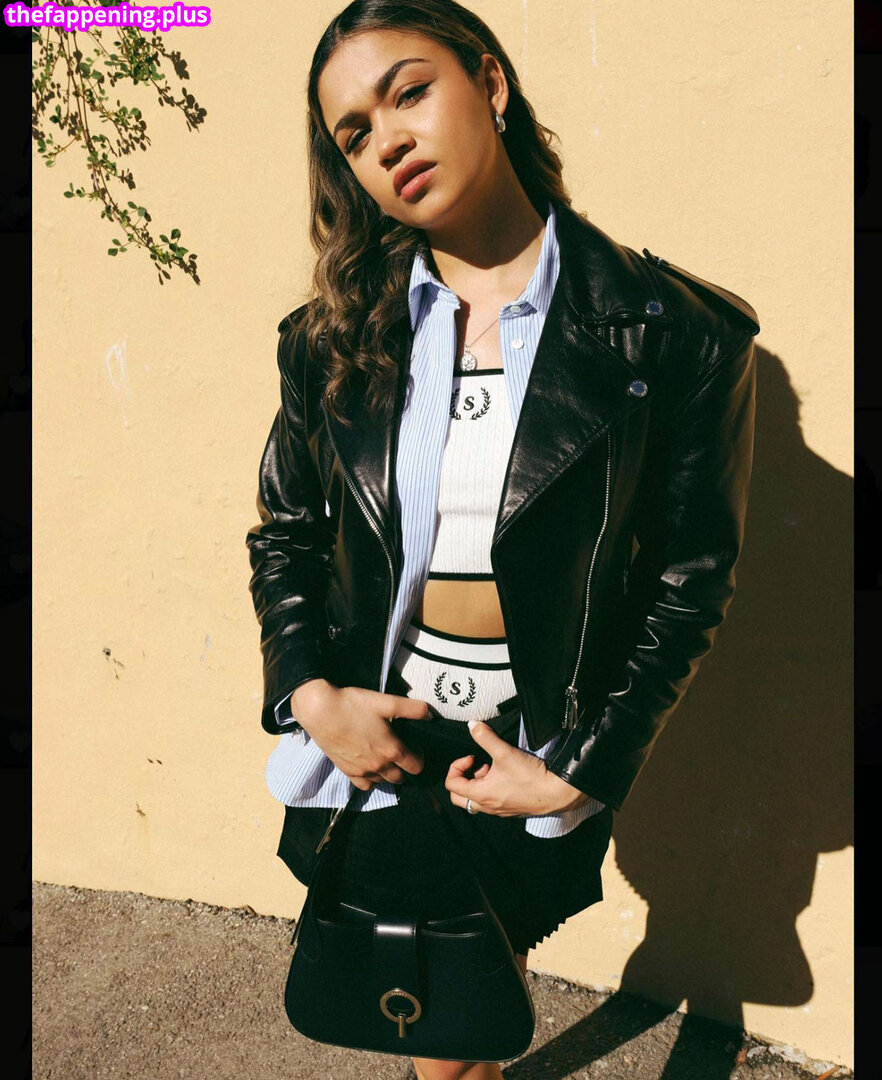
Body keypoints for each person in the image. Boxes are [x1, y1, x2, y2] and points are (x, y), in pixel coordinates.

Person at [245, 1, 760, 1075]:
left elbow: (688, 578)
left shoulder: (672, 333)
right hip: (386, 738)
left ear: (489, 81)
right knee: (436, 1019)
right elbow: (287, 530)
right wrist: (310, 694)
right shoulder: (333, 337)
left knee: (467, 1007)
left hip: (531, 744)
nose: (388, 140)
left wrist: (584, 769)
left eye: (409, 92)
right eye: (354, 134)